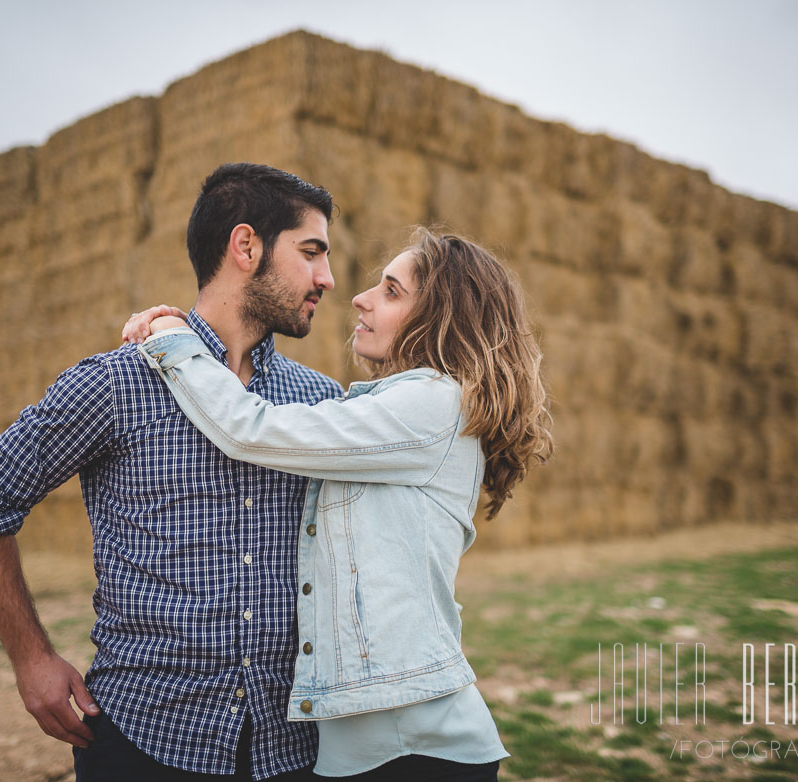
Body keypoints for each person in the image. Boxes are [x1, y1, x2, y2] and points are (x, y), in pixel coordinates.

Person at [0, 162, 344, 781]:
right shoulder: (117, 383)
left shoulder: (321, 402)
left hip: (294, 751)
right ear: (245, 245)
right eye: (311, 252)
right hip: (143, 740)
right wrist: (31, 657)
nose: (328, 278)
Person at [123, 228, 554, 780]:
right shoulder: (400, 408)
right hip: (362, 750)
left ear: (442, 320)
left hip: (417, 750)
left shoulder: (434, 405)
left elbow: (249, 430)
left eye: (392, 292)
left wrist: (175, 340)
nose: (360, 297)